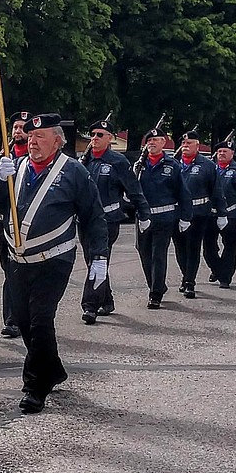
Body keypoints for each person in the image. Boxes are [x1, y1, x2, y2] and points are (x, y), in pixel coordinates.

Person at [0, 113, 108, 414]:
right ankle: (52, 368)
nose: (32, 142)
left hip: (53, 259)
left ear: (57, 140)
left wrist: (100, 257)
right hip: (18, 260)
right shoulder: (17, 167)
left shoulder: (74, 172)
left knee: (40, 321)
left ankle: (34, 387)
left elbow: (93, 216)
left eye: (40, 137)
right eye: (30, 137)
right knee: (24, 322)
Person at [79, 117, 150, 323]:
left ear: (110, 138)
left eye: (99, 135)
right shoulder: (84, 161)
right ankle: (107, 300)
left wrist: (143, 214)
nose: (94, 138)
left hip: (107, 220)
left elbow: (134, 191)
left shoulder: (118, 162)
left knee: (97, 261)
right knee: (92, 261)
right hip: (84, 220)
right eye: (92, 134)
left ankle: (90, 305)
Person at [0, 110, 31, 339]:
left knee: (27, 273)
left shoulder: (34, 158)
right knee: (10, 272)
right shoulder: (1, 158)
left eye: (22, 128)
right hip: (5, 224)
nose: (17, 131)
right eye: (15, 128)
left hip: (29, 225)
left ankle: (26, 316)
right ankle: (12, 320)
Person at [134, 127, 191, 309]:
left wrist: (185, 217)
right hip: (143, 216)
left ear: (163, 143)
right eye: (149, 140)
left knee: (158, 254)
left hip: (165, 216)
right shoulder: (139, 165)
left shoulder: (172, 165)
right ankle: (156, 285)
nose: (151, 143)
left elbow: (183, 193)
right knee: (144, 253)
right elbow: (130, 188)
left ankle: (155, 294)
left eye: (156, 140)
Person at [172, 130, 226, 298]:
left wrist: (221, 212)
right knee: (180, 249)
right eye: (183, 143)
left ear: (197, 145)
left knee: (193, 248)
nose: (185, 146)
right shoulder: (173, 164)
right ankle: (185, 275)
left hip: (199, 213)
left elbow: (216, 190)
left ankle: (190, 282)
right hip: (178, 212)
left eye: (189, 143)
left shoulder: (207, 165)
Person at [202, 140, 236, 289]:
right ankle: (217, 269)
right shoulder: (209, 168)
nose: (221, 154)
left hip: (231, 214)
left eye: (225, 151)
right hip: (211, 215)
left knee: (230, 246)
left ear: (232, 153)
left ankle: (225, 277)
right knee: (208, 248)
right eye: (220, 151)